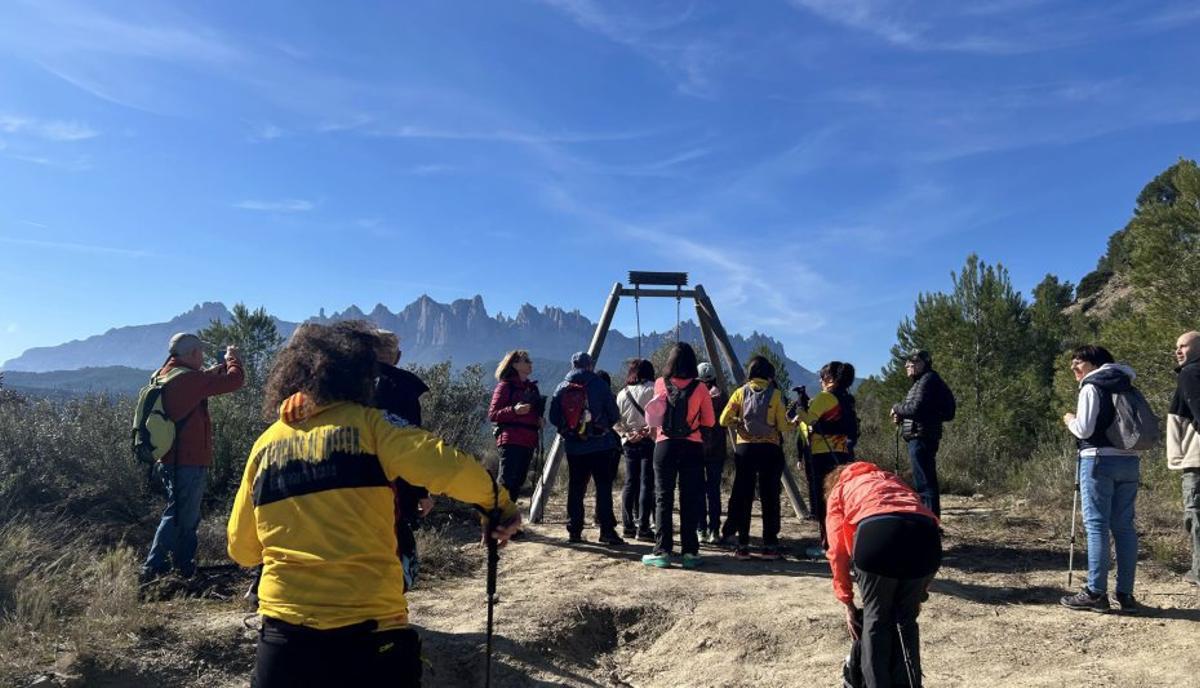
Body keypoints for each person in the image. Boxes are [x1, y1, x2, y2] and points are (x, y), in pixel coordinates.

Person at [227, 321, 520, 688]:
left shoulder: (264, 447)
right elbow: (451, 467)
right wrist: (499, 505)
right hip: (370, 638)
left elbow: (242, 549)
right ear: (360, 374)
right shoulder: (374, 427)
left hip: (284, 645)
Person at [825, 461, 941, 688]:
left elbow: (837, 551)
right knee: (906, 621)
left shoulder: (840, 489)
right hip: (925, 537)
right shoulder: (893, 480)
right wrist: (920, 593)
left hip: (877, 537)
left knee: (876, 620)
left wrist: (846, 601)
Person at [141, 332, 244, 583]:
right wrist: (233, 360)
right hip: (186, 461)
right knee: (178, 514)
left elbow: (198, 383)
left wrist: (213, 370)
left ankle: (183, 567)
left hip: (169, 459)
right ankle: (153, 570)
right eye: (201, 352)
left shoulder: (165, 374)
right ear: (192, 354)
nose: (203, 356)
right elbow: (235, 381)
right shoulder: (189, 380)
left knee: (184, 515)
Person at [1060, 345, 1141, 613]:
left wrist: (1069, 420)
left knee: (1096, 526)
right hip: (1129, 460)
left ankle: (1096, 592)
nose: (1074, 367)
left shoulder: (1091, 386)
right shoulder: (1126, 383)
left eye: (1078, 362)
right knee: (1125, 527)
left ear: (1095, 363)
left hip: (1097, 460)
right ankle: (1126, 594)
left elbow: (1084, 429)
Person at [642, 343, 715, 568]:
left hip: (664, 446)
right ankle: (690, 553)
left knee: (663, 497)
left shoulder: (660, 384)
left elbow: (655, 418)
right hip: (692, 447)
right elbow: (710, 421)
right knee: (690, 498)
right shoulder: (701, 388)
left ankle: (662, 551)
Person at [374, 330, 432, 590]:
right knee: (393, 544)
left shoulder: (342, 385)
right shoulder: (404, 387)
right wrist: (422, 491)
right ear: (396, 356)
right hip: (394, 484)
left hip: (346, 483)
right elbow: (412, 445)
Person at [548, 352, 624, 546]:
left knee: (576, 487)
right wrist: (601, 425)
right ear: (590, 365)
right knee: (603, 487)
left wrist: (571, 429)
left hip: (574, 447)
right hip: (601, 445)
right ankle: (607, 531)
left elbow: (554, 418)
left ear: (572, 365)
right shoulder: (600, 385)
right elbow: (614, 414)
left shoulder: (562, 387)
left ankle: (574, 530)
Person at [720, 355, 790, 561]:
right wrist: (793, 423)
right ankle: (769, 544)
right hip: (770, 449)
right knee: (770, 496)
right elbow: (783, 426)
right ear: (769, 374)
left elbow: (723, 419)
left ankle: (742, 545)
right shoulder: (776, 394)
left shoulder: (740, 393)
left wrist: (739, 420)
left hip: (745, 449)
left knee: (744, 496)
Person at [791, 361, 858, 559]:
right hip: (843, 454)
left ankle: (828, 545)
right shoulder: (847, 399)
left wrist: (797, 409)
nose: (820, 381)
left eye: (822, 377)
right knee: (840, 501)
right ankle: (846, 544)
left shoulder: (825, 397)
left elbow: (808, 421)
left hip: (822, 454)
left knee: (824, 503)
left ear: (829, 379)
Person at [890, 350, 955, 518]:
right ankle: (930, 522)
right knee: (924, 481)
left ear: (923, 363)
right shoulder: (923, 381)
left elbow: (915, 408)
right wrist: (902, 417)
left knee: (925, 483)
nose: (906, 365)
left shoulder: (928, 380)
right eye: (907, 362)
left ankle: (931, 524)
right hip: (920, 436)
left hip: (921, 437)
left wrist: (897, 408)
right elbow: (921, 410)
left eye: (911, 362)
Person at [488, 350, 544, 506]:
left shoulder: (532, 388)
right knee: (506, 482)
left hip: (528, 440)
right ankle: (498, 524)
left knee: (517, 482)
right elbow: (493, 414)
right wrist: (514, 410)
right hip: (510, 439)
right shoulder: (505, 386)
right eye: (526, 360)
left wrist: (539, 420)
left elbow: (533, 414)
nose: (530, 363)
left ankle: (508, 524)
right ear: (515, 364)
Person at [1169, 331, 1200, 587]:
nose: (1178, 351)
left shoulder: (1190, 373)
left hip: (1197, 459)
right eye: (1177, 347)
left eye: (1183, 346)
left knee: (1196, 516)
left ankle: (1198, 571)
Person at [614, 358, 657, 541]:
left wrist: (626, 434)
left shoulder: (621, 393)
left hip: (630, 442)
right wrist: (651, 429)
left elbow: (615, 421)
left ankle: (628, 526)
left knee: (630, 483)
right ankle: (644, 528)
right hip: (649, 440)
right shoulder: (654, 389)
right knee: (647, 483)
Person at [697, 362, 729, 544]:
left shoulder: (695, 395)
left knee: (699, 491)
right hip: (717, 449)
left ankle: (700, 529)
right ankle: (714, 531)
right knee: (714, 491)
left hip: (697, 448)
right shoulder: (723, 396)